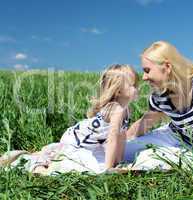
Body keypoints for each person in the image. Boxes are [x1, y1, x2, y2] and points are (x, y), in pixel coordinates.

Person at [0, 64, 139, 174]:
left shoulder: (126, 109)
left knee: (82, 162)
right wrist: (108, 169)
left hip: (87, 142)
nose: (137, 89)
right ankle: (27, 161)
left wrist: (118, 161)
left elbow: (121, 138)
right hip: (76, 141)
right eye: (133, 85)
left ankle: (32, 155)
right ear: (119, 91)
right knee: (75, 168)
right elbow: (112, 139)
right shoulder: (117, 110)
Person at [125, 41, 193, 172]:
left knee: (148, 159)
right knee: (122, 150)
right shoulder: (160, 96)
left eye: (147, 71)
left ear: (167, 67)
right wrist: (118, 138)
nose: (144, 77)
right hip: (171, 136)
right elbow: (143, 125)